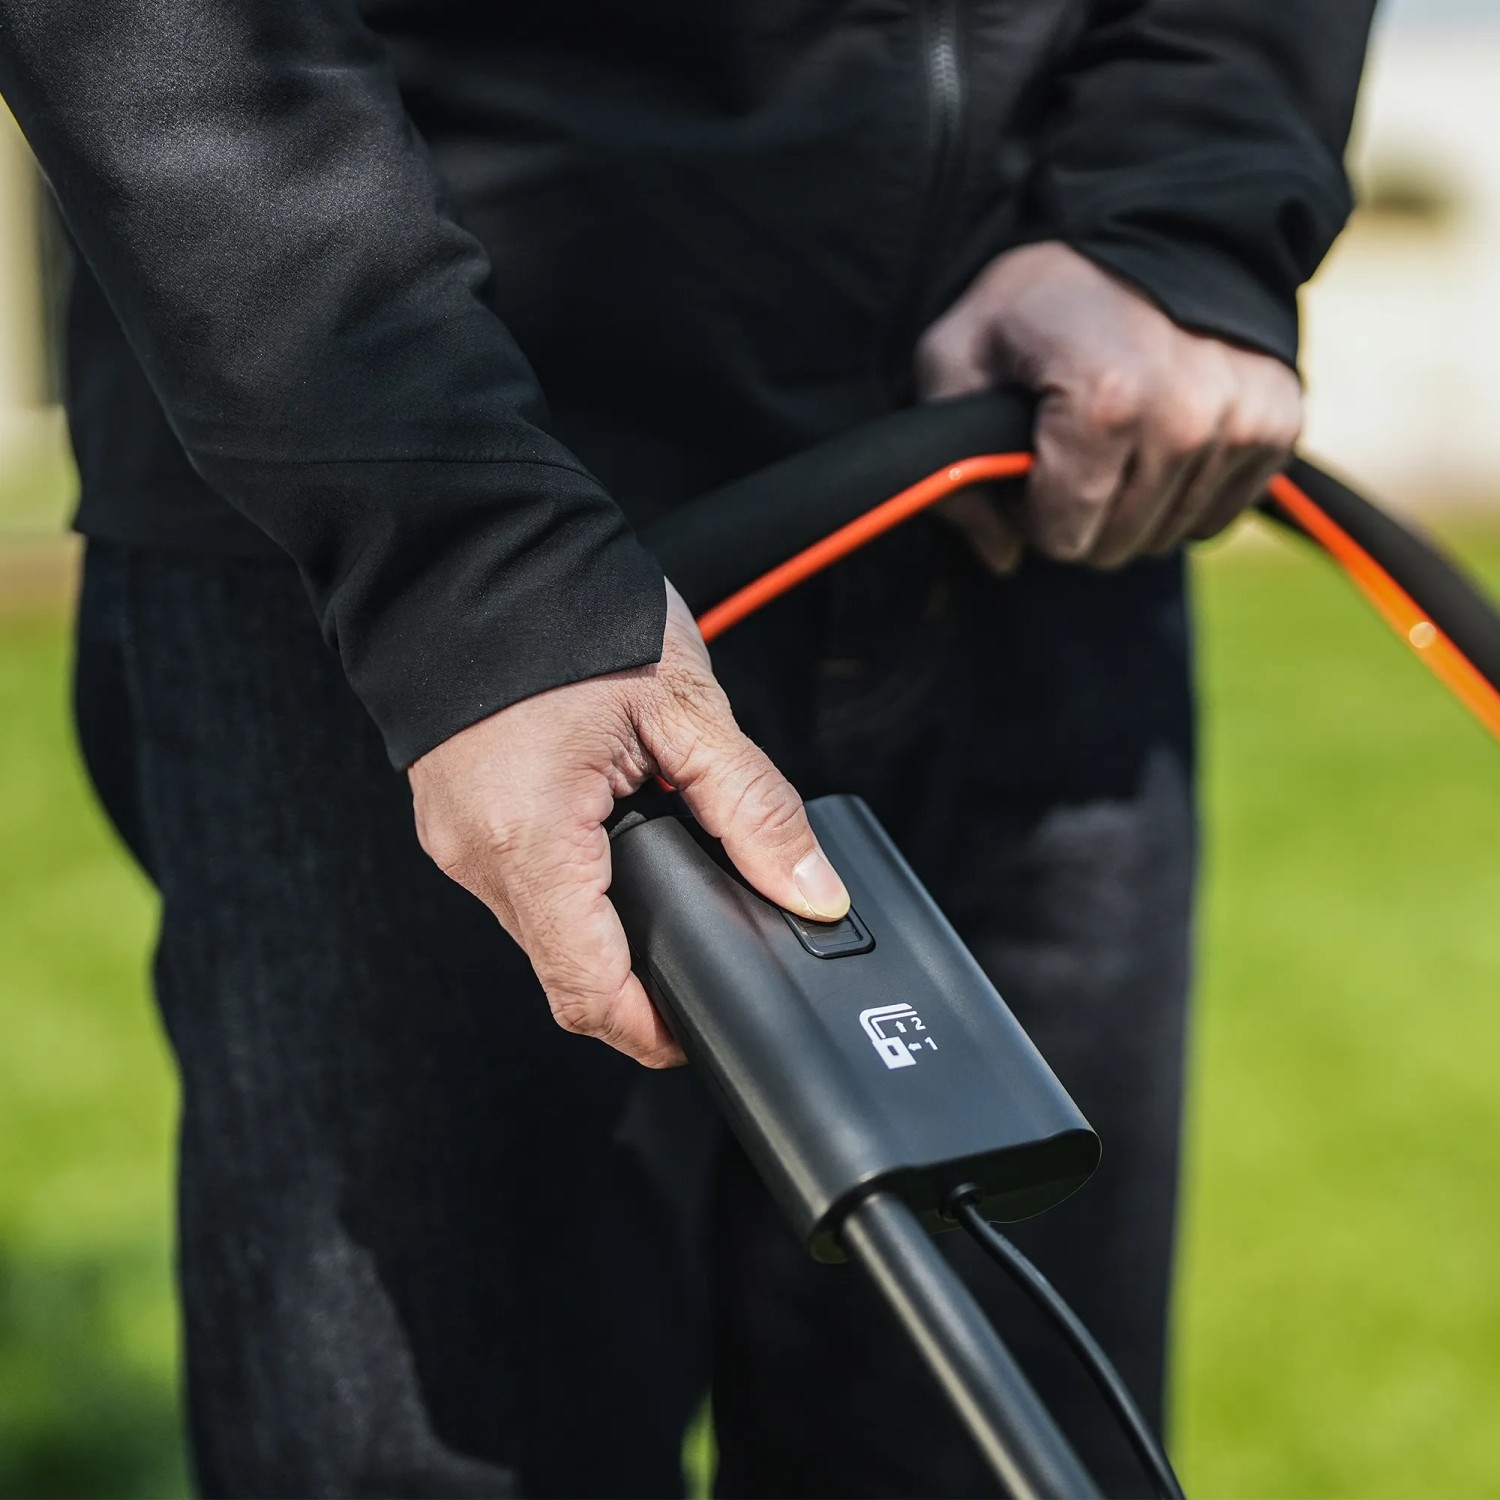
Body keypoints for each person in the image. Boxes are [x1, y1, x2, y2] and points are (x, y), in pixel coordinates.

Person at [0, 2, 1375, 1495]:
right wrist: (469, 563)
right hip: (407, 542)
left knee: (1007, 1440)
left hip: (1026, 482)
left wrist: (1173, 209)